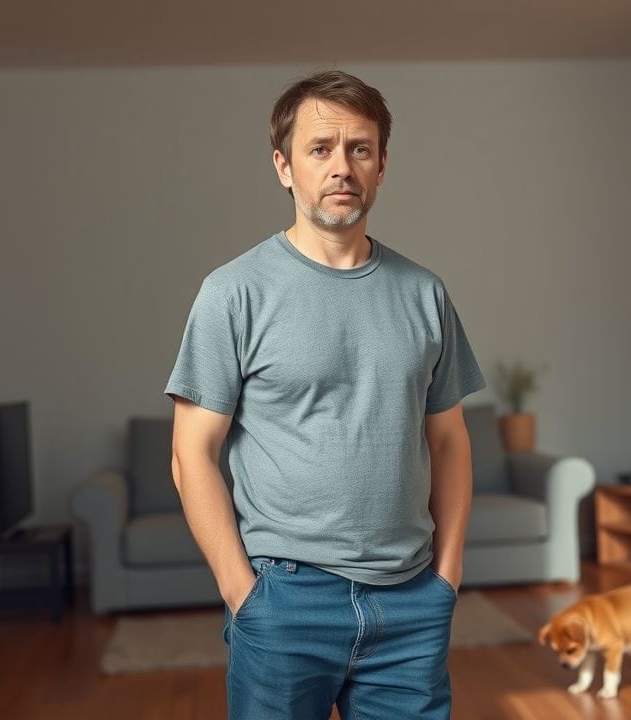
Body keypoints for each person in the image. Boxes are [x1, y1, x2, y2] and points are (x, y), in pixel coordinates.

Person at [165, 69, 486, 719]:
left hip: (410, 601)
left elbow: (449, 442)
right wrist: (241, 593)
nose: (342, 166)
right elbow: (189, 455)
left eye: (359, 149)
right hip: (284, 600)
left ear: (382, 164)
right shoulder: (233, 293)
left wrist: (446, 578)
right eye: (320, 149)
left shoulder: (425, 293)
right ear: (284, 166)